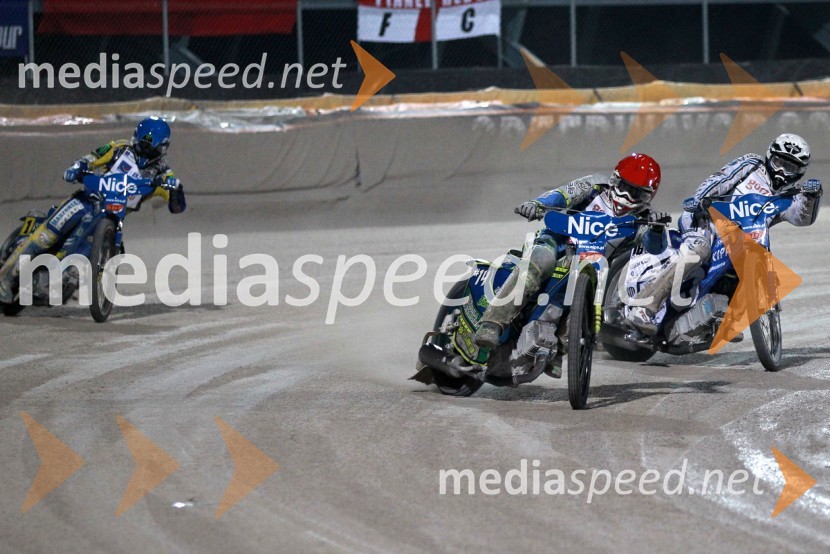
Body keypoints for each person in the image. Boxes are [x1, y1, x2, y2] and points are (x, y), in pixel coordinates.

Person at [627, 133, 822, 334]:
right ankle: (644, 307)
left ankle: (709, 318)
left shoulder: (791, 195)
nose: (781, 171)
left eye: (790, 167)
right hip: (706, 220)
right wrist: (700, 199)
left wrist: (812, 197)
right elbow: (721, 179)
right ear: (769, 156)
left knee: (739, 274)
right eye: (778, 162)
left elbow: (802, 218)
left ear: (800, 172)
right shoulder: (752, 164)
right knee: (698, 252)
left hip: (742, 240)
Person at [473, 152, 668, 350]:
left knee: (578, 325)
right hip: (556, 242)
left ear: (648, 196)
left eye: (636, 193)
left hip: (593, 270)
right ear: (614, 180)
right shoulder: (594, 185)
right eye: (625, 187)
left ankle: (557, 349)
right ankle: (492, 323)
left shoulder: (646, 220)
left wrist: (657, 229)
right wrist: (537, 204)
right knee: (541, 261)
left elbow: (655, 248)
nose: (627, 196)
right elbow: (563, 194)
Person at [0, 116, 186, 304]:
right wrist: (76, 168)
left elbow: (177, 207)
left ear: (162, 148)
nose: (143, 150)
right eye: (141, 144)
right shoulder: (119, 148)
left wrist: (177, 190)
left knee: (84, 259)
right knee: (46, 236)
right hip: (87, 201)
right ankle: (6, 277)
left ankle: (61, 282)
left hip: (112, 219)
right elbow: (92, 158)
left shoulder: (164, 174)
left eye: (149, 147)